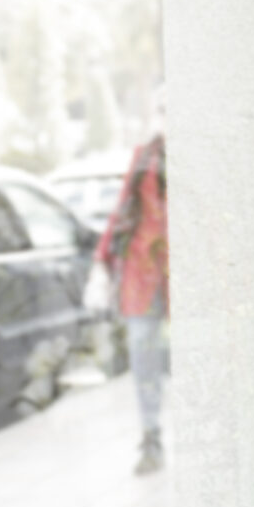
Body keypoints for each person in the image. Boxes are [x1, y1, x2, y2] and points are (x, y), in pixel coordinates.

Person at [96, 132, 169, 475]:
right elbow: (124, 207)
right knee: (144, 361)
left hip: (183, 279)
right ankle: (151, 436)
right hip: (141, 277)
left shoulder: (201, 151)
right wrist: (102, 261)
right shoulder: (147, 154)